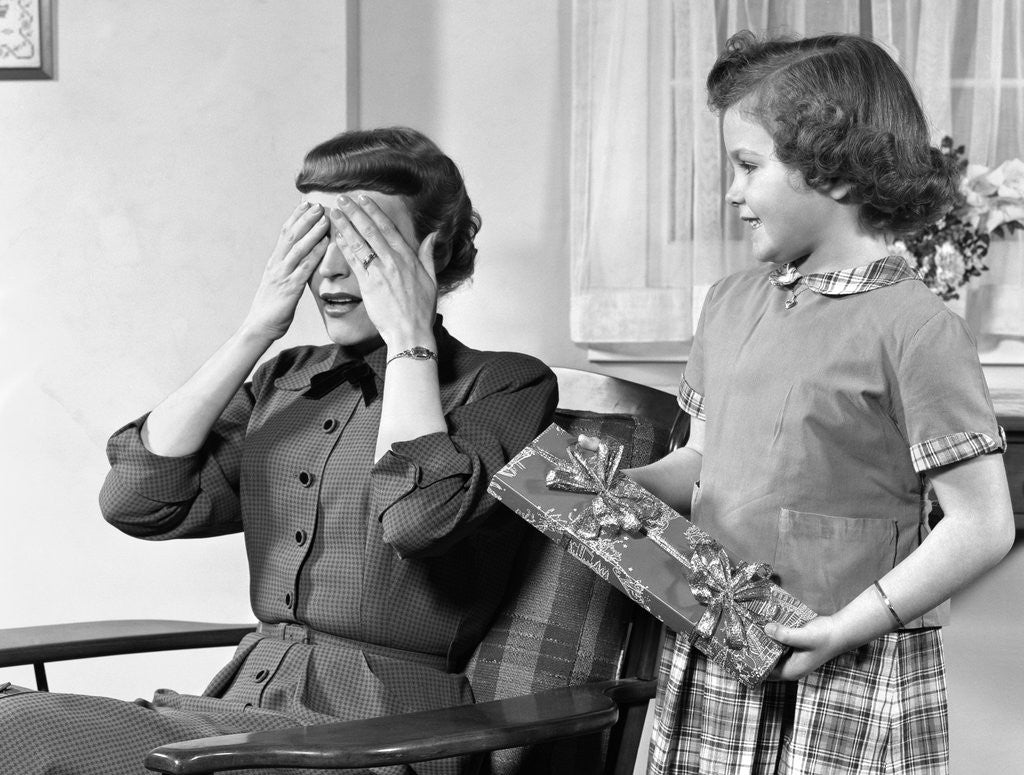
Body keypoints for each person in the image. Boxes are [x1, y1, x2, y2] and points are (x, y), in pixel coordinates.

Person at [0, 126, 557, 775]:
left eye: (366, 243)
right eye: (319, 238)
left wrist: (409, 334)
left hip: (385, 734)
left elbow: (416, 517)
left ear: (435, 253)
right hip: (239, 712)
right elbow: (137, 500)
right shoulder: (285, 379)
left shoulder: (505, 383)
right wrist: (256, 329)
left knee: (18, 731)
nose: (334, 268)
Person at [616, 32, 1015, 775]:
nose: (732, 192)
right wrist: (615, 493)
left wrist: (846, 627)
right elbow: (704, 458)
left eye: (748, 166)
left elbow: (983, 523)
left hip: (849, 665)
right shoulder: (729, 304)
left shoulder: (916, 326)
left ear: (833, 167)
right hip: (721, 640)